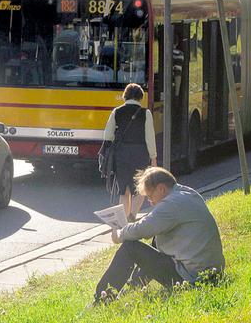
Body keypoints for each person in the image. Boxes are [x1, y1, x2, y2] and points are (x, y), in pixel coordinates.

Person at [93, 167, 225, 305]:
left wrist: (119, 234)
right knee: (158, 239)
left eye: (150, 196)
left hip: (194, 279)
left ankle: (102, 299)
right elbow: (151, 225)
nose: (150, 202)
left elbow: (142, 229)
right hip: (213, 273)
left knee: (130, 248)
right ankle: (135, 286)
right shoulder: (187, 193)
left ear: (161, 188)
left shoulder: (170, 205)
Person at [101, 83, 157, 222]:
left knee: (124, 190)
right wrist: (153, 157)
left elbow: (107, 135)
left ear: (125, 96)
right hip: (140, 154)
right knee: (139, 188)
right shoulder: (146, 113)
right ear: (140, 97)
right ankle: (133, 214)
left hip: (121, 154)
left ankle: (124, 222)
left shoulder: (117, 112)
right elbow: (150, 137)